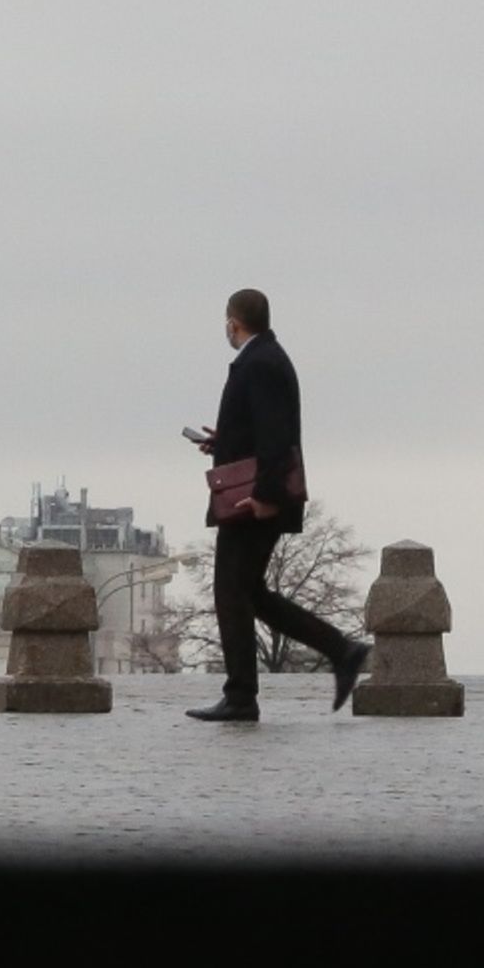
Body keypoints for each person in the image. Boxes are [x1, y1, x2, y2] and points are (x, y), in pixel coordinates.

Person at [184, 287, 365, 723]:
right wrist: (223, 440)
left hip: (254, 501)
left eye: (225, 323)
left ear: (234, 322)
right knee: (250, 593)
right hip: (257, 496)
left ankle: (242, 697)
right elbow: (261, 429)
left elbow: (276, 436)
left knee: (231, 592)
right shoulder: (266, 357)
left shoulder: (260, 363)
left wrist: (265, 497)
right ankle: (342, 651)